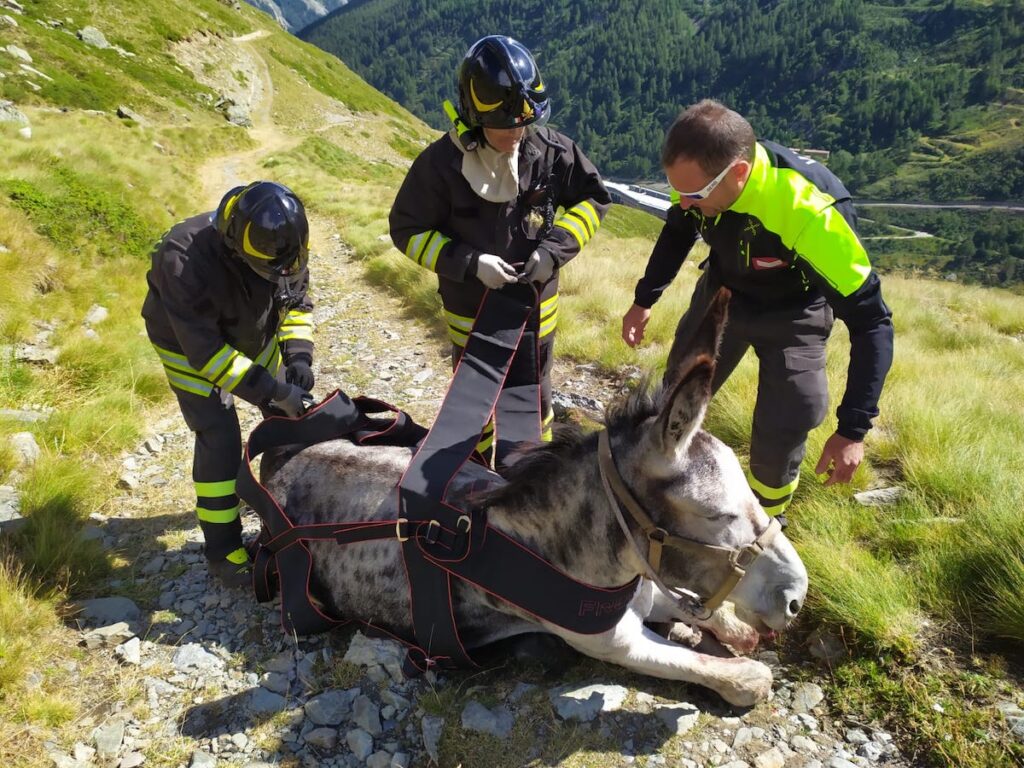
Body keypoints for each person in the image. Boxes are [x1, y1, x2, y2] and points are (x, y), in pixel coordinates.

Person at [621, 100, 893, 519]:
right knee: (675, 397)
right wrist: (644, 300)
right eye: (678, 191)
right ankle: (650, 493)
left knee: (785, 424)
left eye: (694, 195)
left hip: (794, 311)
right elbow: (678, 230)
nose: (685, 203)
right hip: (724, 292)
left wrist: (853, 430)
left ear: (740, 174)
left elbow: (872, 321)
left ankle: (765, 524)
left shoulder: (810, 214)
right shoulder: (699, 180)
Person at [390, 35, 611, 461]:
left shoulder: (551, 152)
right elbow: (407, 231)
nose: (517, 133)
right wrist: (470, 264)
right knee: (477, 410)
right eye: (505, 126)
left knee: (535, 407)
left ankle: (528, 479)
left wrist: (554, 249)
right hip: (471, 321)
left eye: (524, 123)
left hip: (535, 318)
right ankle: (480, 482)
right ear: (474, 117)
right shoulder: (439, 166)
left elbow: (593, 199)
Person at [142, 181, 316, 587]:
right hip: (188, 348)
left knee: (287, 422)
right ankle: (222, 551)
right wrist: (275, 390)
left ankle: (289, 511)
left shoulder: (284, 249)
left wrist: (299, 357)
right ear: (235, 244)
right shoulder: (182, 260)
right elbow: (210, 357)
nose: (284, 271)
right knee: (220, 437)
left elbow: (296, 305)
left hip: (253, 334)